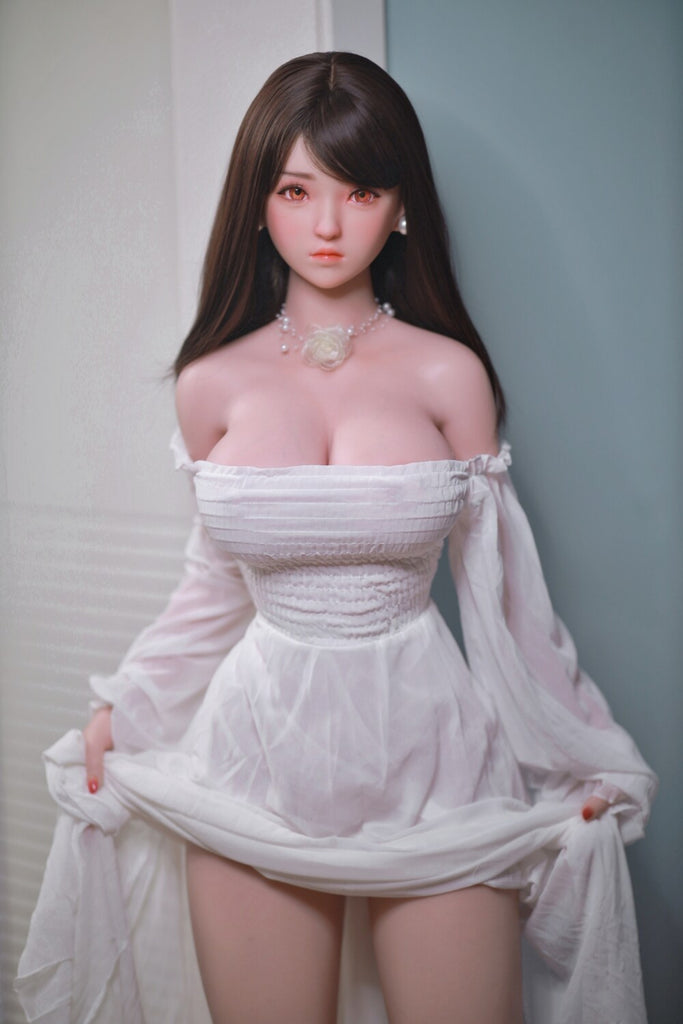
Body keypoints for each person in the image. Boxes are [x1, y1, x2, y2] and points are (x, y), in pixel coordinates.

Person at [17, 52, 656, 1024]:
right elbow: (213, 584)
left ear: (400, 206)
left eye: (359, 191)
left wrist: (583, 751)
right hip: (254, 760)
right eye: (295, 190)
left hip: (435, 762)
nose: (325, 226)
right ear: (256, 201)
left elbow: (503, 594)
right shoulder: (209, 383)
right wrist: (129, 705)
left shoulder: (449, 375)